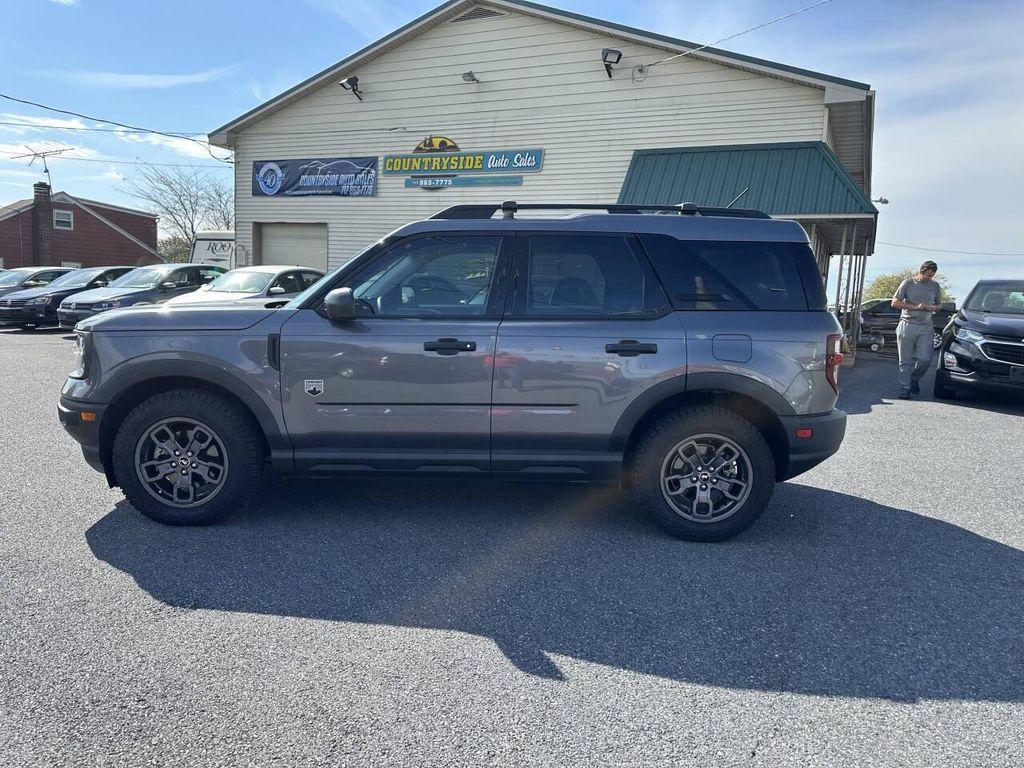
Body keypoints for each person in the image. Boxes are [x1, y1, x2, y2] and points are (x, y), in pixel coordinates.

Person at [891, 261, 943, 399]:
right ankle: (905, 387)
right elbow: (894, 302)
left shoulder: (935, 286)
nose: (929, 278)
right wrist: (915, 307)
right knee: (905, 360)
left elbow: (939, 305)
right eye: (927, 275)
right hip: (907, 324)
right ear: (921, 271)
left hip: (925, 326)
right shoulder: (907, 283)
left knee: (926, 358)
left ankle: (914, 378)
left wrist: (933, 308)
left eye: (932, 276)